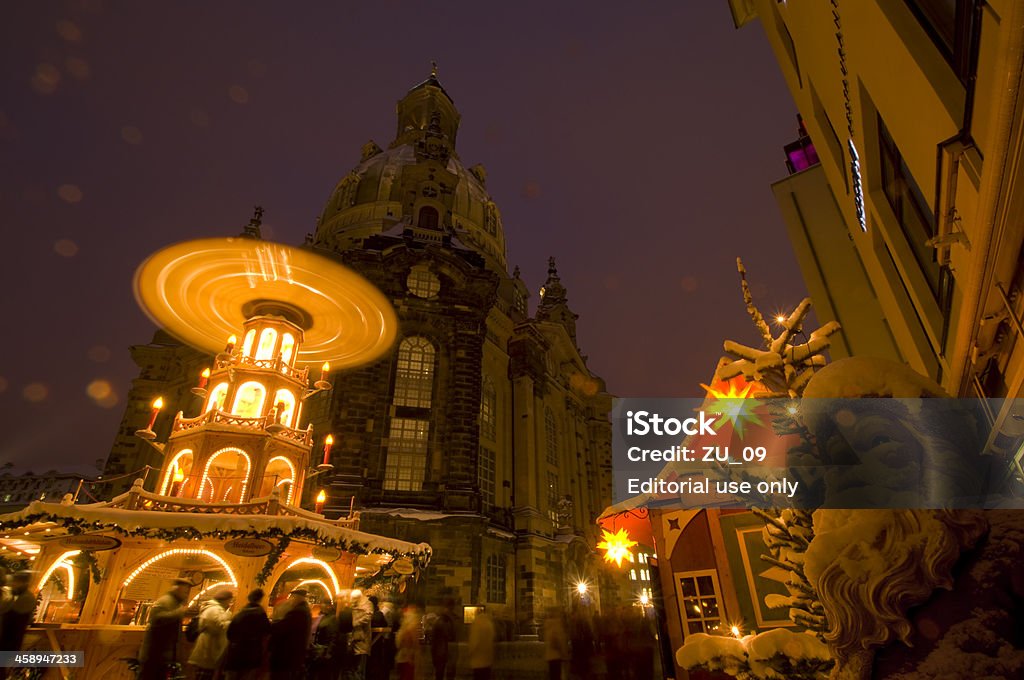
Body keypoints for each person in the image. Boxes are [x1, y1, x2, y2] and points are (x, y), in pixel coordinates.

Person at [137, 578, 191, 680]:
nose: (186, 594)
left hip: (161, 655)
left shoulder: (175, 603)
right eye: (185, 591)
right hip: (154, 654)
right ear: (177, 588)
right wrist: (180, 612)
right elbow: (157, 619)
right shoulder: (165, 601)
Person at [223, 588, 271, 680]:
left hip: (235, 654)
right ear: (260, 599)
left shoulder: (239, 614)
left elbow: (230, 634)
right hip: (252, 655)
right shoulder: (261, 615)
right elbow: (267, 633)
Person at [188, 588, 234, 680]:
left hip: (209, 648)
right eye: (229, 600)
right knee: (204, 675)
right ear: (226, 599)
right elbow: (217, 626)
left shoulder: (214, 609)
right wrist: (230, 620)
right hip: (207, 649)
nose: (230, 603)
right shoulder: (214, 610)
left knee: (205, 674)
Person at [0, 571, 38, 680]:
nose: (12, 584)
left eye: (15, 581)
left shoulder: (25, 598)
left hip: (8, 642)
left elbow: (10, 612)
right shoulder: (16, 595)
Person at [269, 588, 313, 680]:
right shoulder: (305, 611)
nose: (290, 601)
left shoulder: (298, 612)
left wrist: (270, 624)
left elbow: (282, 627)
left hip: (288, 657)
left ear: (297, 598)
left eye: (292, 598)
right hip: (296, 656)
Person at [366, 595, 394, 680]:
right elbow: (385, 625)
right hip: (377, 643)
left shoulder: (367, 614)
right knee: (376, 662)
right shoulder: (379, 614)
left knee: (369, 663)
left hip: (367, 643)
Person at [430, 598, 458, 680]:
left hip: (442, 653)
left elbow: (434, 640)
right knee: (446, 674)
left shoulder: (439, 621)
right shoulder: (451, 620)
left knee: (440, 674)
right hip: (446, 653)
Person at [348, 589, 372, 680]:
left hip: (362, 640)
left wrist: (356, 623)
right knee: (354, 668)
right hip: (354, 639)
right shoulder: (355, 604)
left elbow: (368, 617)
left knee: (360, 668)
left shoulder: (367, 604)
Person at [394, 604, 422, 680]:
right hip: (408, 658)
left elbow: (398, 643)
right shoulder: (411, 626)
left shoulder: (403, 626)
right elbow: (414, 642)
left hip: (402, 657)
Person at [468, 608, 495, 680]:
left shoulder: (477, 623)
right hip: (488, 660)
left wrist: (470, 653)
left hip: (478, 661)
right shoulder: (489, 623)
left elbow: (474, 642)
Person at [542, 607, 568, 680]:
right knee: (557, 676)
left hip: (550, 656)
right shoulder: (556, 624)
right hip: (557, 656)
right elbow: (557, 641)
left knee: (553, 676)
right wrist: (563, 652)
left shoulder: (548, 625)